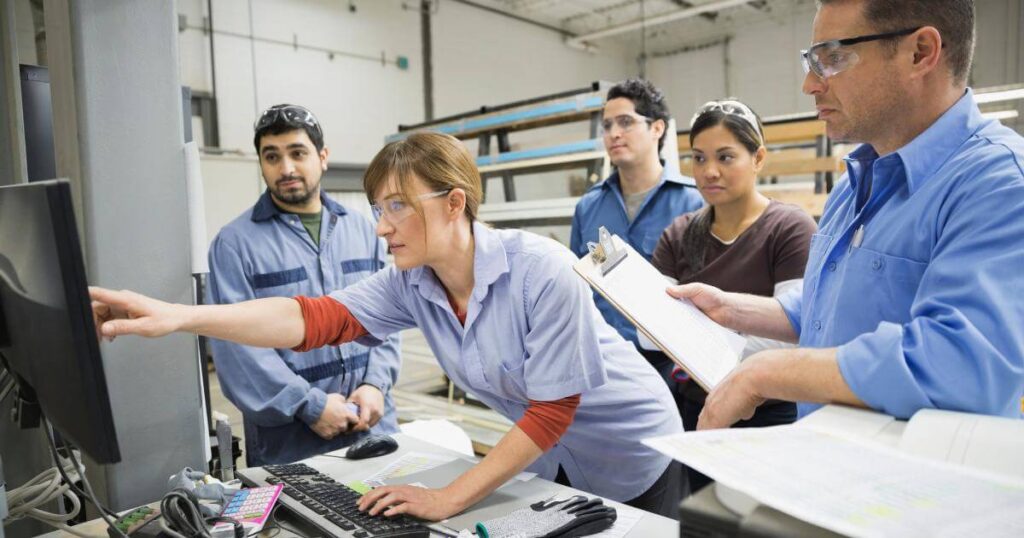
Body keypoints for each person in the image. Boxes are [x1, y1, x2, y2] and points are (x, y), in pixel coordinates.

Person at [90, 132, 684, 520]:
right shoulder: (412, 282)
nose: (381, 226)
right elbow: (311, 318)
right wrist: (178, 317)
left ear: (455, 204)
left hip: (634, 451)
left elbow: (552, 410)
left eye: (398, 205)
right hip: (547, 462)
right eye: (378, 209)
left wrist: (447, 498)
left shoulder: (540, 270)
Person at [669, 0, 1024, 430]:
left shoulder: (999, 182)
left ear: (921, 53)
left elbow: (962, 363)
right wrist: (733, 311)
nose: (810, 85)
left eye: (832, 58)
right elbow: (828, 307)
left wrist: (769, 373)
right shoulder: (856, 180)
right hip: (830, 466)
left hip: (913, 489)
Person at [206, 104, 401, 466]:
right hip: (291, 441)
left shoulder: (364, 230)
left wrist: (376, 384)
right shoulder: (234, 245)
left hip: (373, 423)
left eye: (297, 153)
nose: (286, 168)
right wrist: (309, 405)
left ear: (322, 157)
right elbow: (237, 348)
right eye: (272, 157)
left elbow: (390, 317)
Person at [651, 98, 817, 492]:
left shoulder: (789, 228)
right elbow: (650, 328)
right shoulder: (678, 234)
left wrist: (690, 337)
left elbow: (789, 333)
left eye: (726, 157)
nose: (710, 171)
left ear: (758, 158)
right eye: (699, 158)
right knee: (707, 518)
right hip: (695, 410)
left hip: (770, 413)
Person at [570, 79, 704, 383]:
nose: (614, 133)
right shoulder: (588, 208)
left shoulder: (694, 202)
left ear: (657, 128)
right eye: (607, 126)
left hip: (673, 369)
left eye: (626, 122)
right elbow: (577, 291)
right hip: (603, 366)